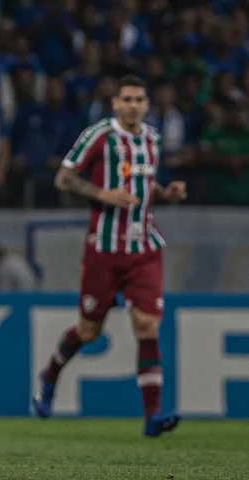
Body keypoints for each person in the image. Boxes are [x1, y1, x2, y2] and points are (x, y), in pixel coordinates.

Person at [31, 75, 188, 437]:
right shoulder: (99, 135)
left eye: (140, 99)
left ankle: (152, 416)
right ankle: (50, 375)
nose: (134, 106)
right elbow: (64, 179)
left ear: (147, 104)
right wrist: (103, 194)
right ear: (115, 103)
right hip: (104, 250)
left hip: (144, 249)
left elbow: (143, 190)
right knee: (88, 331)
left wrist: (167, 194)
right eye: (127, 99)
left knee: (147, 325)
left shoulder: (152, 139)